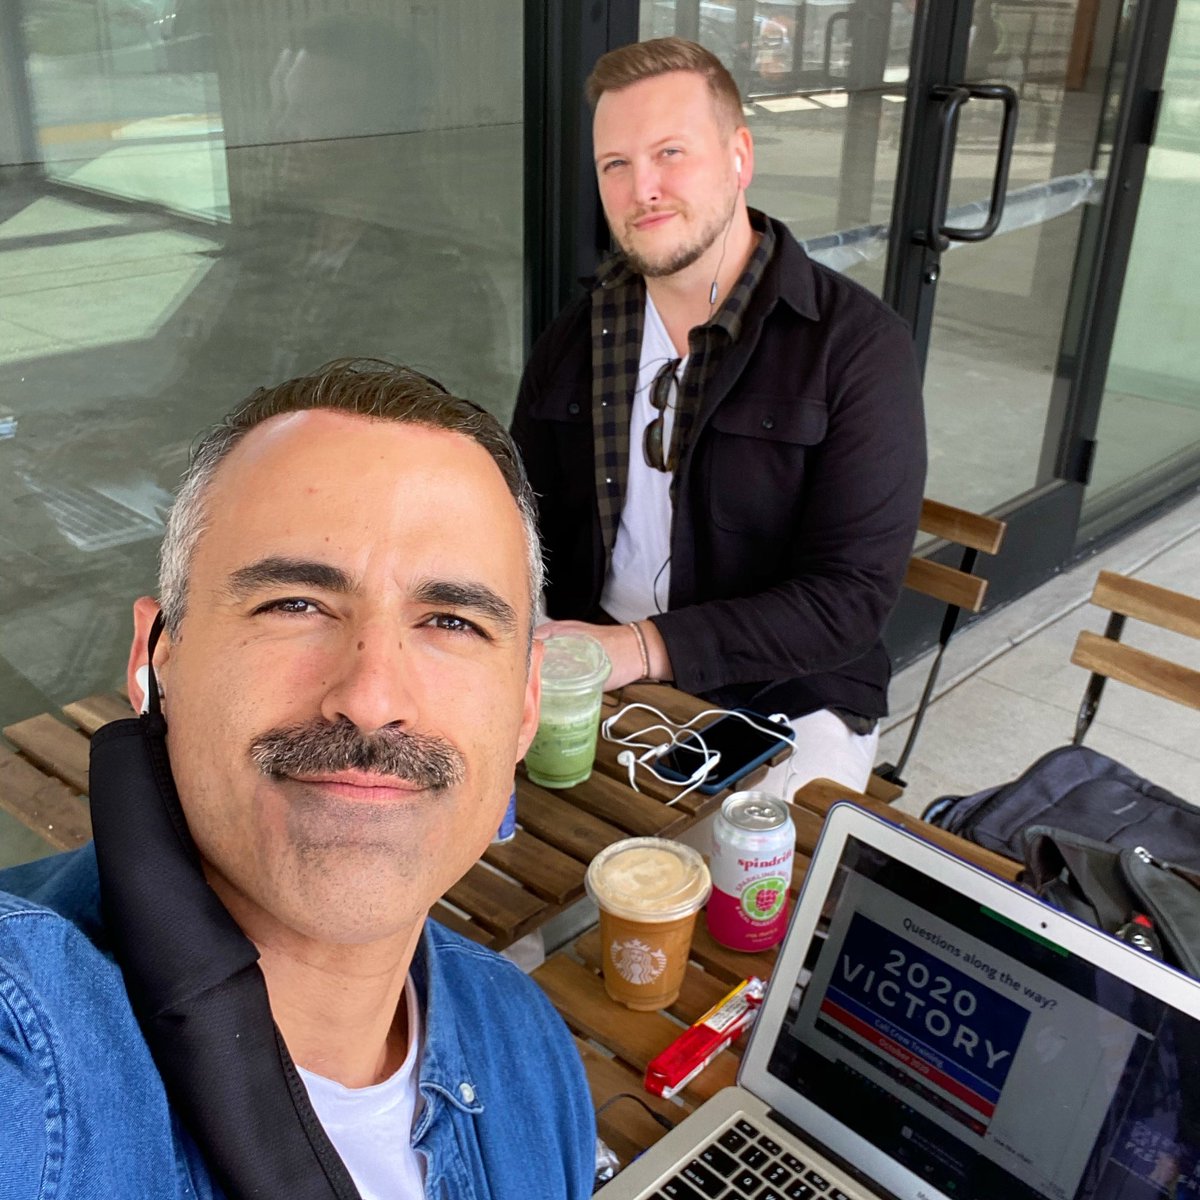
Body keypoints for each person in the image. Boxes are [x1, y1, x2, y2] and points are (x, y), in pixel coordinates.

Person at [0, 360, 595, 1199]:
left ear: (527, 703)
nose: (372, 698)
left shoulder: (528, 1050)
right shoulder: (25, 1042)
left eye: (451, 621)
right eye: (294, 604)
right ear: (153, 661)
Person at [511, 37, 926, 794]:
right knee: (474, 847)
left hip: (786, 692)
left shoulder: (856, 346)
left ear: (740, 156)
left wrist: (643, 647)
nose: (644, 189)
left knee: (748, 885)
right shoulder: (580, 333)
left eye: (671, 153)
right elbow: (518, 517)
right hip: (592, 664)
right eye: (616, 165)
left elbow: (848, 601)